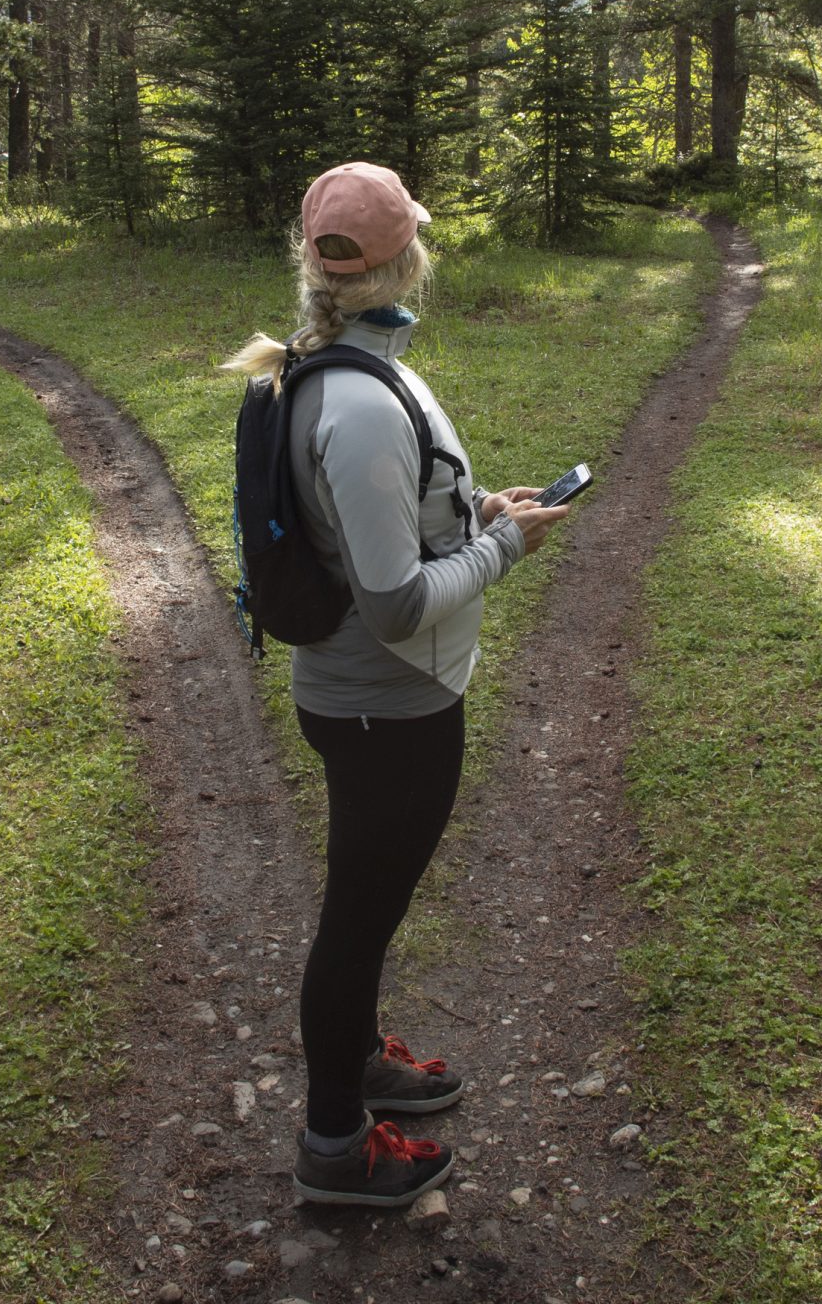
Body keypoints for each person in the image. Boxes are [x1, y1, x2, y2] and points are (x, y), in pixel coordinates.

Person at [223, 161, 571, 1208]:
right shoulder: (361, 405)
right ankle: (336, 1143)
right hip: (390, 706)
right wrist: (506, 547)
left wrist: (473, 516)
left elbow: (389, 531)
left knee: (365, 907)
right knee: (359, 919)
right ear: (403, 256)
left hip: (370, 700)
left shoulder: (330, 363)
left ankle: (361, 1059)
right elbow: (395, 602)